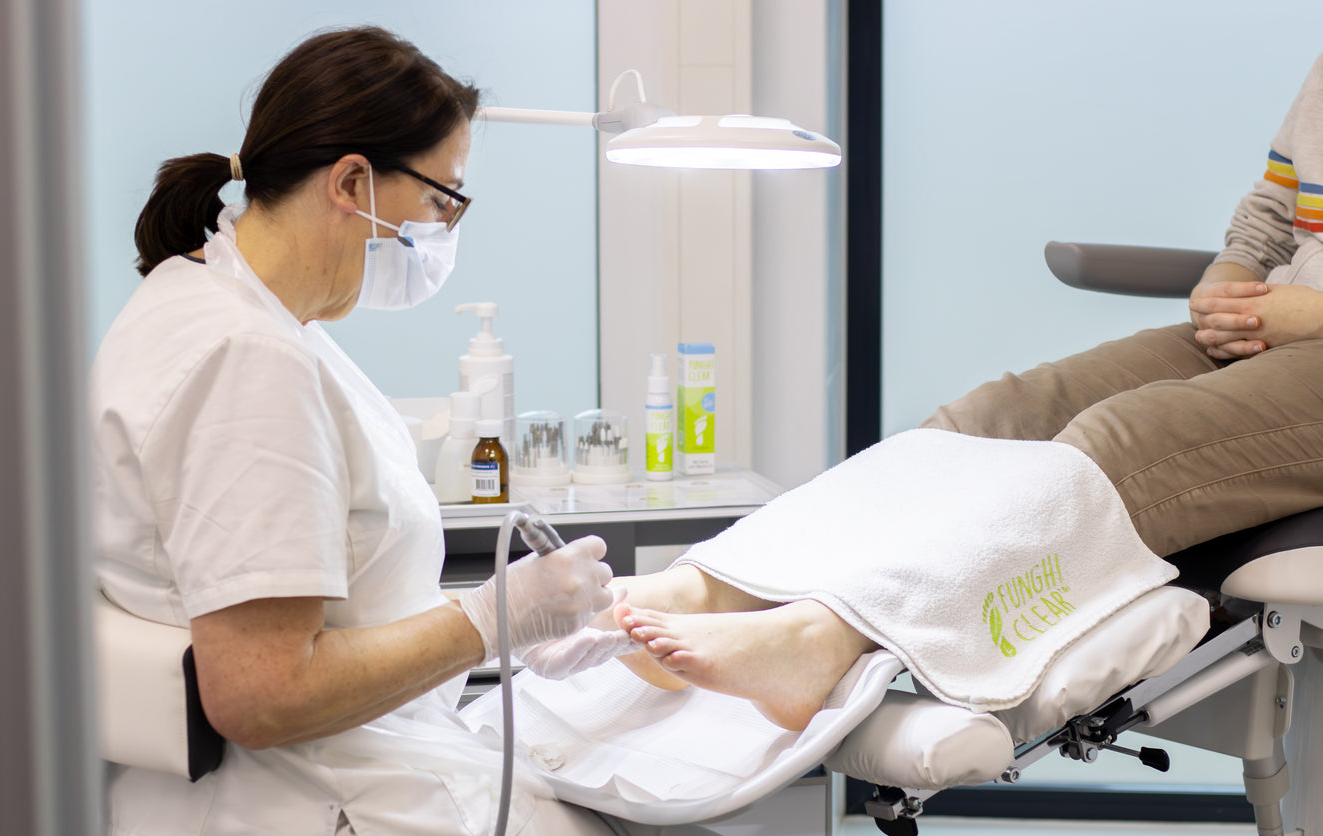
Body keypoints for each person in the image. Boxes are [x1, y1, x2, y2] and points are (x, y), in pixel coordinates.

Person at [91, 27, 759, 836]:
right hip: (315, 826)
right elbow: (261, 693)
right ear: (354, 183)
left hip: (244, 805)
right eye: (444, 197)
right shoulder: (251, 363)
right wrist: (493, 616)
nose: (448, 225)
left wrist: (514, 637)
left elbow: (321, 606)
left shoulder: (205, 302)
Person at [526, 52, 1323, 731]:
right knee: (991, 420)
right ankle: (719, 583)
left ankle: (819, 640)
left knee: (1124, 444)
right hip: (1270, 324)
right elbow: (1277, 208)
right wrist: (1230, 280)